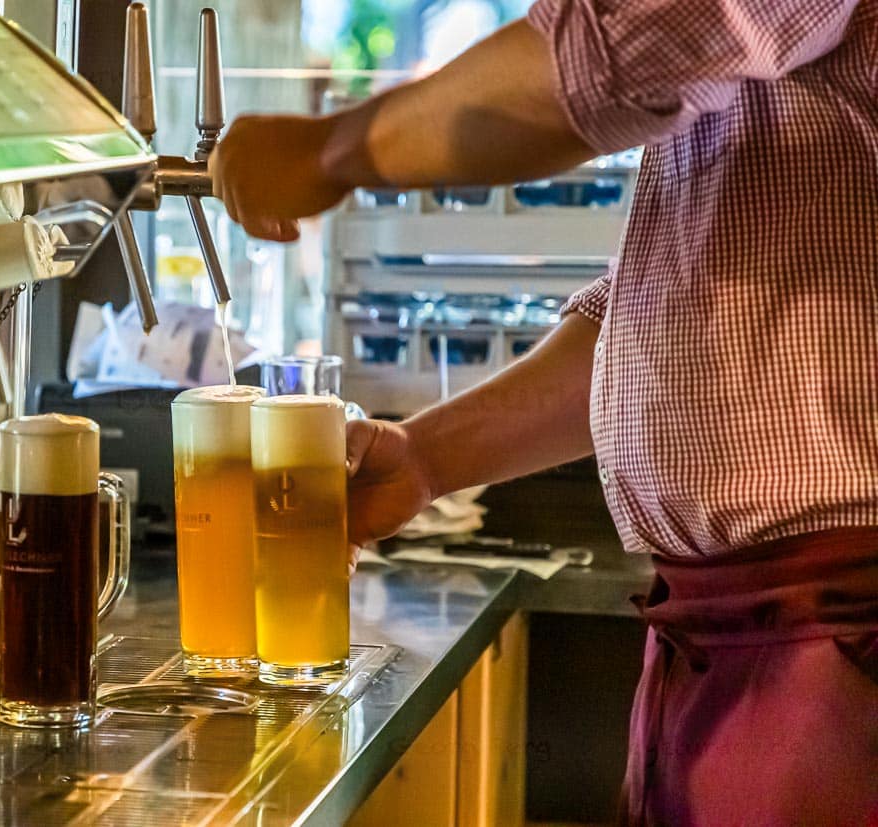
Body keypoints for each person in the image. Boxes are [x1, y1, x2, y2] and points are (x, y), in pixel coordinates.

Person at [212, 1, 878, 824]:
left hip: (840, 638)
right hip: (732, 645)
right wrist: (426, 458)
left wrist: (331, 150)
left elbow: (606, 55)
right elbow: (654, 314)